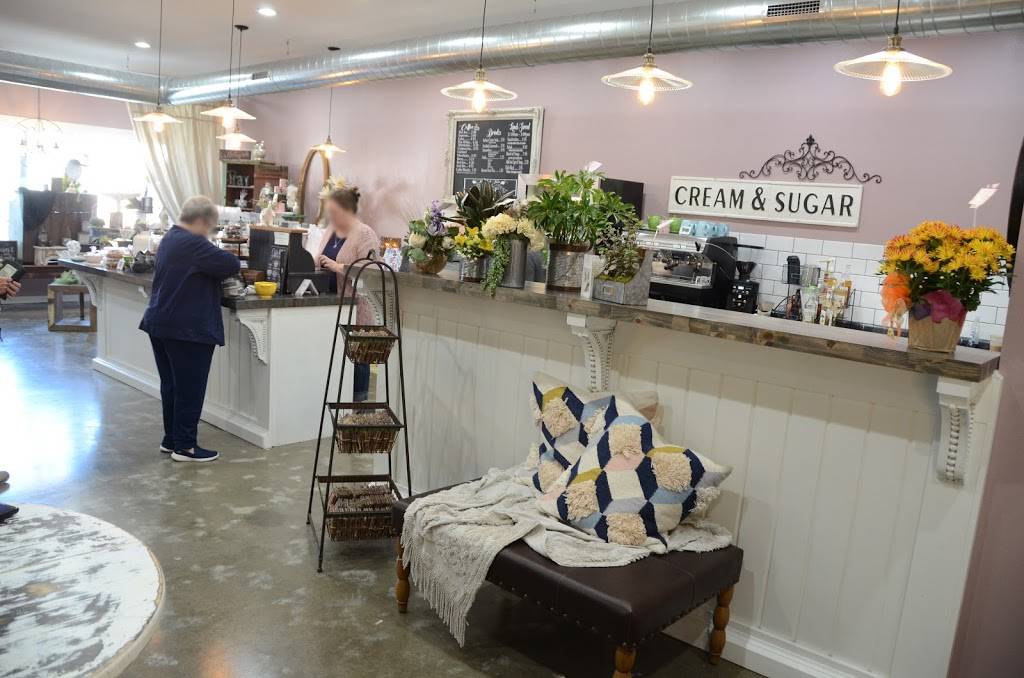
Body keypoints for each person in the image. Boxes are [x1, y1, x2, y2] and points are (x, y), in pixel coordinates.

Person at [140, 196, 240, 462]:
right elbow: (232, 264)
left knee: (171, 386)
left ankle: (171, 439)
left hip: (160, 322)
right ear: (202, 221)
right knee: (189, 388)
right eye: (211, 226)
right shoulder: (193, 243)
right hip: (186, 327)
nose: (210, 231)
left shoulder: (170, 237)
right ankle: (185, 447)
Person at [315, 187, 381, 402]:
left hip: (357, 307)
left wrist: (338, 267)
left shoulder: (365, 234)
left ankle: (358, 406)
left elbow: (372, 272)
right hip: (331, 305)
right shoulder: (330, 231)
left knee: (357, 357)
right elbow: (318, 258)